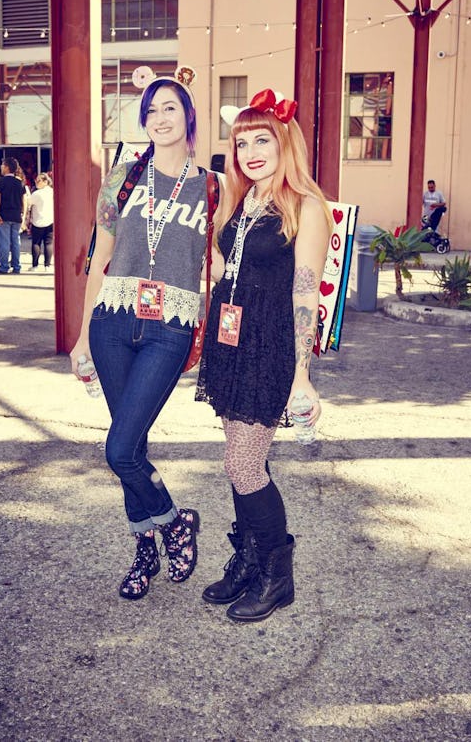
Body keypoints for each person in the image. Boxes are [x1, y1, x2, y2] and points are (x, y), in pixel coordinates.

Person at [69, 65, 217, 601]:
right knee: (131, 441)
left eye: (169, 107)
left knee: (118, 451)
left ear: (189, 117)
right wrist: (84, 334)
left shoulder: (213, 187)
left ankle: (175, 522)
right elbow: (98, 257)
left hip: (169, 328)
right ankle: (148, 549)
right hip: (112, 322)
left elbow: (221, 255)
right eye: (150, 110)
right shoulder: (124, 176)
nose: (159, 118)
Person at [195, 88, 332, 622]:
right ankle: (249, 560)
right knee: (241, 460)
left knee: (243, 461)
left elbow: (305, 292)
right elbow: (228, 261)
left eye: (263, 139)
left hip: (271, 346)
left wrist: (303, 375)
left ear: (285, 142)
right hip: (232, 343)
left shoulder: (306, 206)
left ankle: (278, 573)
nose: (251, 151)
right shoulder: (241, 199)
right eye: (242, 141)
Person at [0, 157, 27, 274]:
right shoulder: (19, 182)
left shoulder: (0, 182)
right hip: (17, 216)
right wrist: (23, 214)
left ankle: (4, 266)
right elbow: (24, 200)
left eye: (2, 165)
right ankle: (16, 266)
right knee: (16, 242)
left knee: (4, 242)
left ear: (6, 167)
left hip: (3, 216)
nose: (1, 167)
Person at [26, 173, 54, 272]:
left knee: (36, 243)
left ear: (45, 182)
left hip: (38, 221)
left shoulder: (36, 194)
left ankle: (35, 265)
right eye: (36, 180)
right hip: (51, 220)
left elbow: (28, 203)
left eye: (39, 181)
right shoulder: (52, 192)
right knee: (48, 243)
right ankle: (47, 265)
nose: (36, 183)